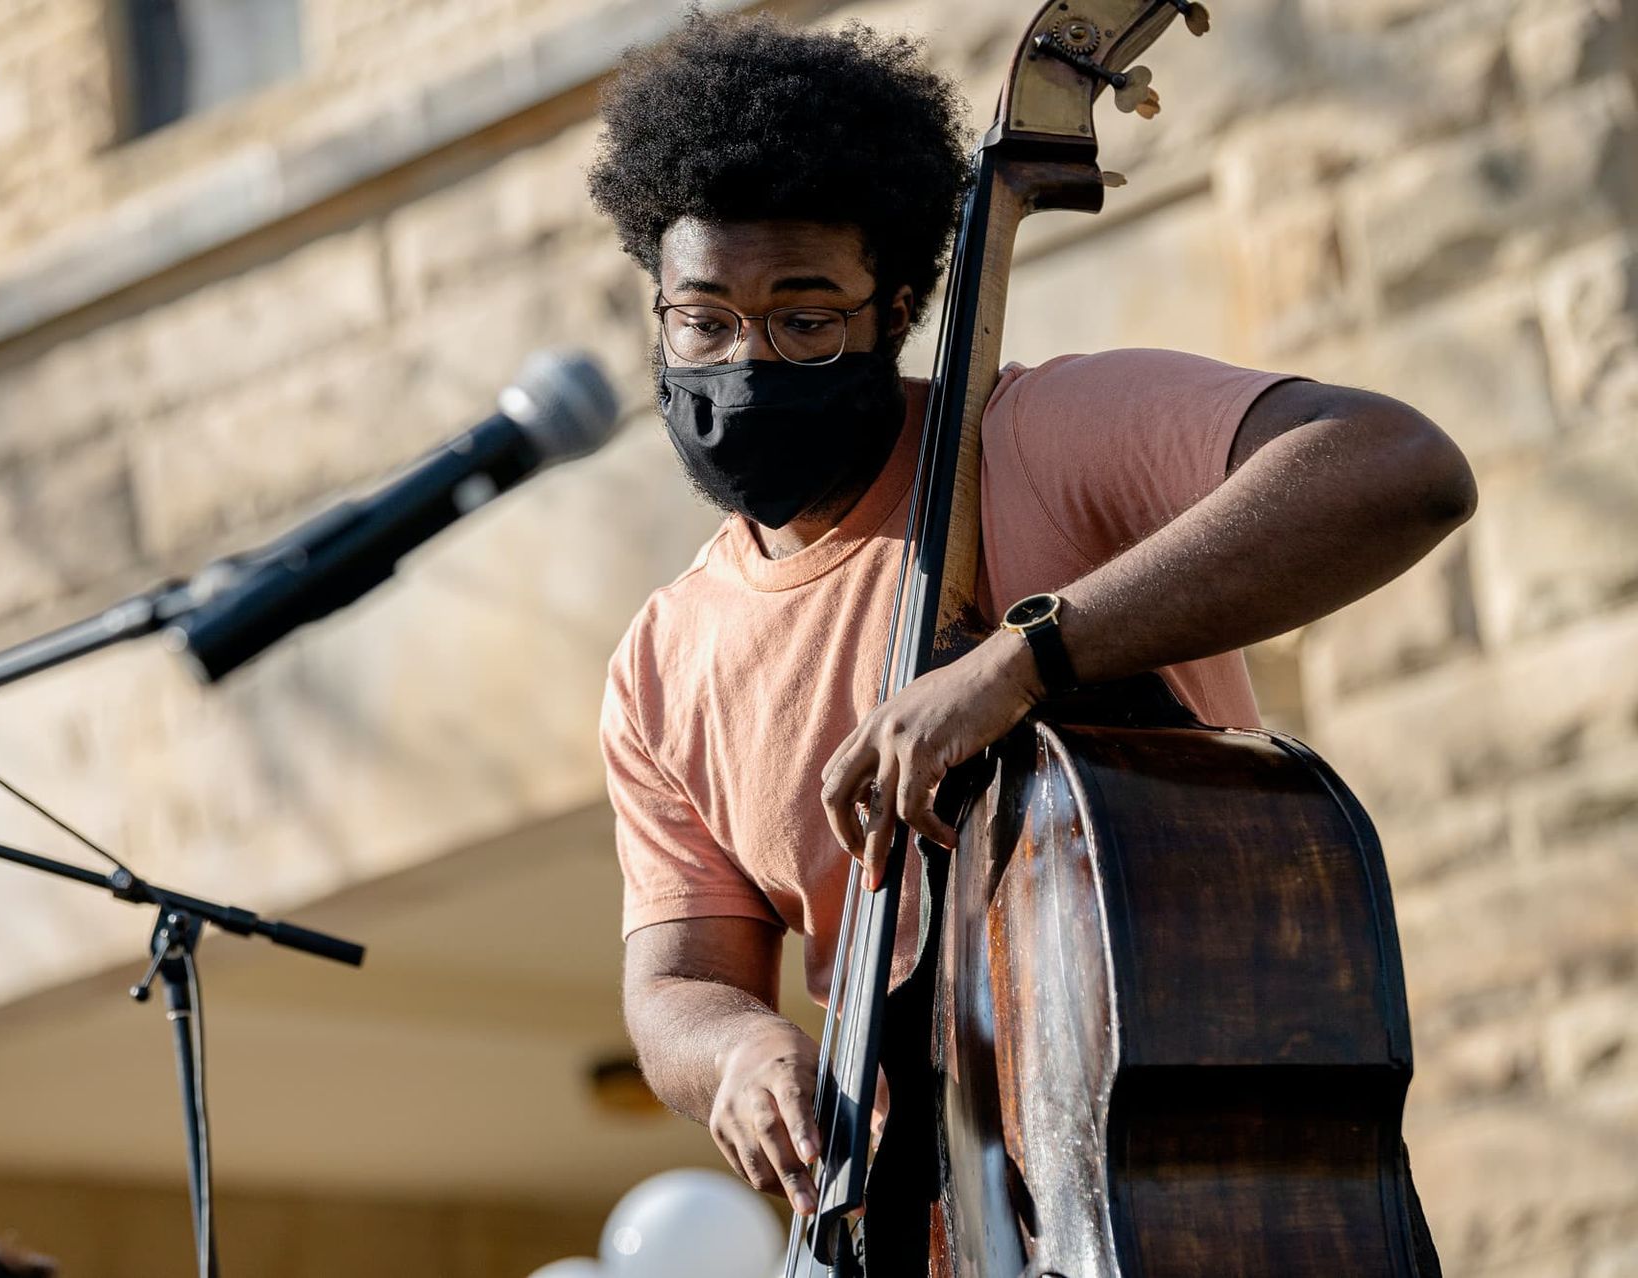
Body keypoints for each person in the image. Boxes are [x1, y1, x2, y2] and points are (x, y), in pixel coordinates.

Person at [589, 9, 1475, 1235]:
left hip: (1175, 1209)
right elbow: (679, 981)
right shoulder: (661, 662)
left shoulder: (1046, 435)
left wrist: (1026, 656)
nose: (745, 359)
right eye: (704, 322)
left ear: (894, 305)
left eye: (803, 319)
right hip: (923, 1227)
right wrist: (736, 1053)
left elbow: (1393, 465)